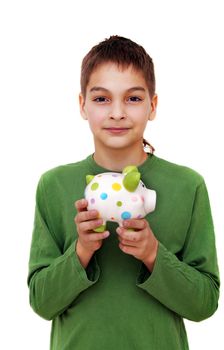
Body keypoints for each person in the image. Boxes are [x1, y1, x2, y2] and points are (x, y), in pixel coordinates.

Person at [27, 35, 220, 350]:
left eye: (133, 98)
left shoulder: (188, 186)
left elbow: (205, 304)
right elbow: (41, 303)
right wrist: (81, 251)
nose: (117, 113)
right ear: (82, 105)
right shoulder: (54, 185)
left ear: (152, 106)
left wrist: (153, 254)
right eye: (102, 99)